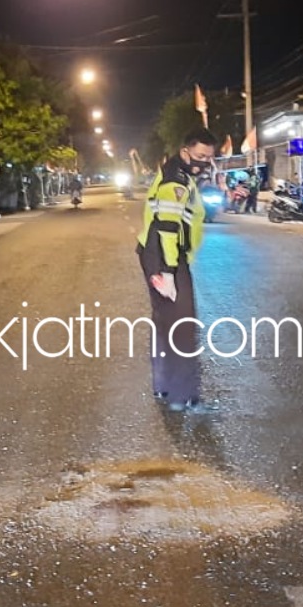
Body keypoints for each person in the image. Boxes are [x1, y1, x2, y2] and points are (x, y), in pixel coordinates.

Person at [135, 129, 218, 414]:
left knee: (164, 321)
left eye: (209, 157)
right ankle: (183, 395)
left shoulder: (176, 172)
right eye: (200, 156)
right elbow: (168, 228)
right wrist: (168, 272)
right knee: (182, 326)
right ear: (185, 152)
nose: (205, 162)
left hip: (155, 253)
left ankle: (163, 384)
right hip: (165, 257)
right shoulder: (176, 181)